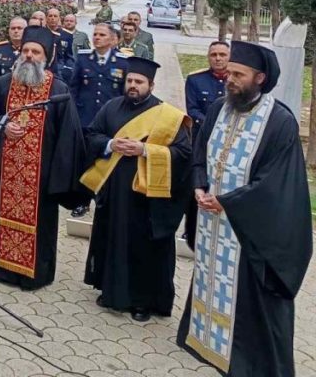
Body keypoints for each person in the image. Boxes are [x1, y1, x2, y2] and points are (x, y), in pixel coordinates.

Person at [177, 41, 313, 376]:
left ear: (261, 78)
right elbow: (200, 153)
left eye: (238, 74)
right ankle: (208, 342)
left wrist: (227, 202)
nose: (229, 78)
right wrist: (198, 183)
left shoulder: (279, 122)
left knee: (250, 297)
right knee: (211, 279)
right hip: (214, 222)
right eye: (229, 73)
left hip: (251, 232)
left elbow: (274, 185)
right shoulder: (218, 109)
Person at [0, 26, 87, 289]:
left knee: (41, 226)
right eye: (25, 51)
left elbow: (69, 138)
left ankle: (34, 275)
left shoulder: (57, 91)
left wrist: (57, 178)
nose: (29, 56)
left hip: (42, 179)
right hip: (8, 175)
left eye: (35, 52)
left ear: (46, 57)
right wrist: (2, 125)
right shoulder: (4, 84)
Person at [81, 57, 191, 322]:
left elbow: (184, 153)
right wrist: (110, 144)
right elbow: (91, 135)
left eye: (139, 82)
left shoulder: (168, 117)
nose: (133, 86)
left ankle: (144, 302)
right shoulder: (111, 107)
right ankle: (111, 292)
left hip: (147, 199)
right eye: (129, 81)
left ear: (151, 85)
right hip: (115, 193)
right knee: (113, 240)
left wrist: (145, 150)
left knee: (143, 249)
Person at [185, 41, 229, 133]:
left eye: (222, 55)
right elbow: (192, 110)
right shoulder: (195, 80)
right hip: (202, 131)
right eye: (213, 55)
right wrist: (210, 125)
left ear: (230, 57)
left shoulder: (237, 81)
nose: (218, 58)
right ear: (208, 57)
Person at [0, 17, 26, 94]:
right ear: (9, 31)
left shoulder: (31, 50)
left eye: (19, 28)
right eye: (13, 28)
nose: (16, 31)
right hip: (2, 94)